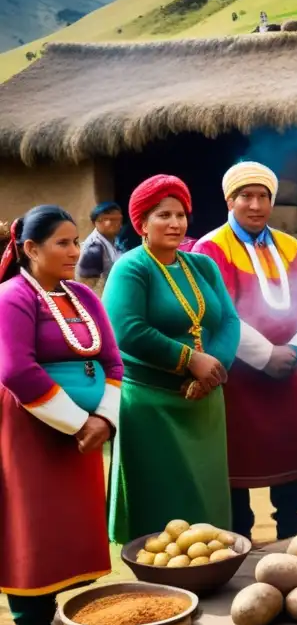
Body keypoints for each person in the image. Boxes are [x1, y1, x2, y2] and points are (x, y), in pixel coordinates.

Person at [0, 206, 123, 625]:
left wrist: (104, 420)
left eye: (76, 242)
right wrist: (79, 421)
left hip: (86, 434)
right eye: (63, 243)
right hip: (32, 429)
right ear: (31, 249)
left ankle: (66, 613)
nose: (75, 251)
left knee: (71, 519)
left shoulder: (83, 298)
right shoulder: (12, 297)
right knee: (30, 521)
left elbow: (113, 362)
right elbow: (15, 369)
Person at [193, 162, 297, 540]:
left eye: (262, 196)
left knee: (290, 460)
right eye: (245, 196)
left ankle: (293, 536)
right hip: (239, 376)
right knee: (239, 467)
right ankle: (240, 544)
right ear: (229, 201)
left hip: (288, 370)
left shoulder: (288, 246)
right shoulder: (210, 248)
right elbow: (217, 313)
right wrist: (266, 354)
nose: (255, 205)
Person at [104, 176, 240, 542]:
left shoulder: (202, 266)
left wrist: (211, 371)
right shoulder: (132, 268)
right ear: (142, 223)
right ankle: (159, 583)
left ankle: (208, 573)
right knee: (161, 512)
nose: (176, 223)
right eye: (163, 215)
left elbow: (228, 321)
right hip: (152, 404)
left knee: (205, 509)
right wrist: (190, 360)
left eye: (181, 214)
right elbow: (125, 329)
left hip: (204, 402)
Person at [76, 202, 125, 295]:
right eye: (103, 219)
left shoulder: (116, 239)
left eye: (115, 219)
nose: (109, 223)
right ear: (94, 223)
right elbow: (87, 288)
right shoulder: (93, 249)